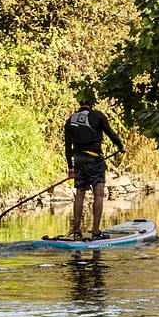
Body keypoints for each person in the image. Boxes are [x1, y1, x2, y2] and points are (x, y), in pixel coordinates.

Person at [64, 89, 124, 240]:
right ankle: (96, 231)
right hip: (95, 161)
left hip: (78, 161)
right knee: (98, 194)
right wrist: (120, 147)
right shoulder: (97, 116)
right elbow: (112, 135)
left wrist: (70, 166)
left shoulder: (70, 120)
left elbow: (67, 147)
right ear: (92, 103)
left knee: (80, 194)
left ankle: (77, 230)